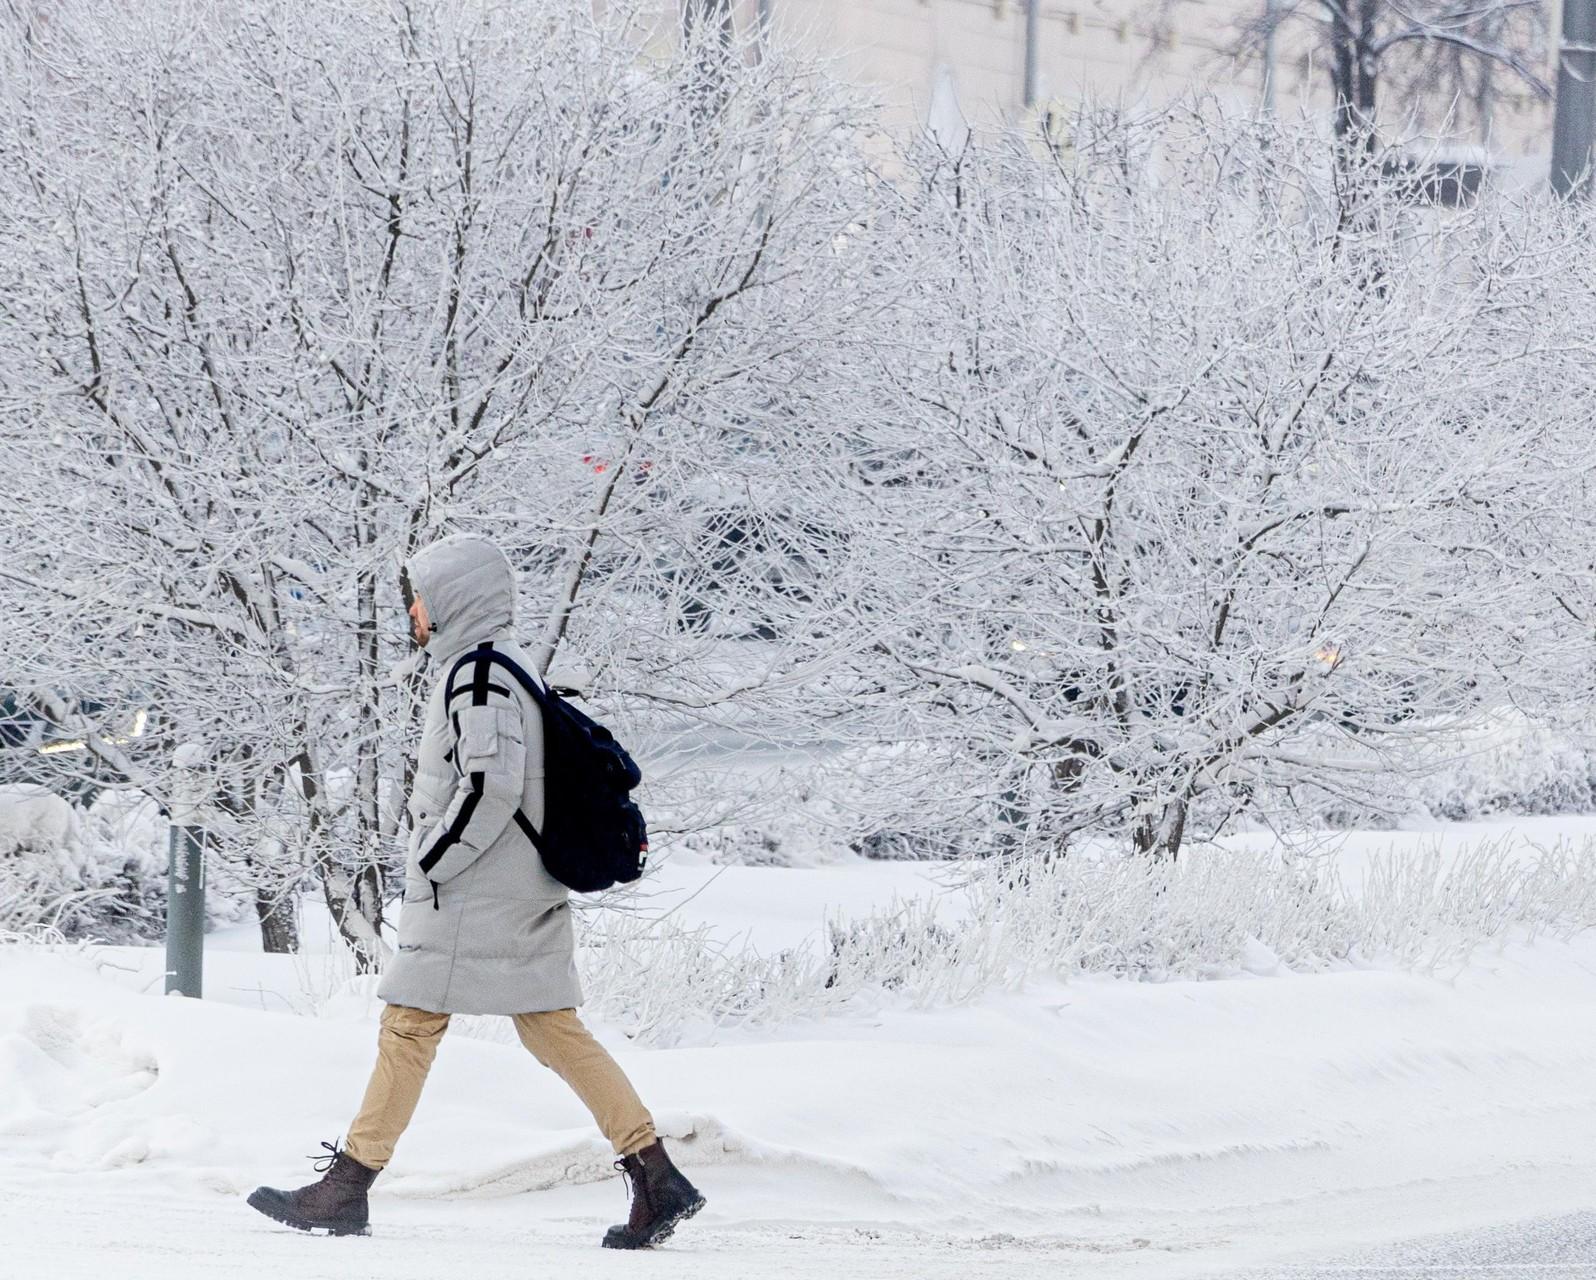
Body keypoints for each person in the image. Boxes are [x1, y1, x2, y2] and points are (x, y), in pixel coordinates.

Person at [246, 533, 704, 1249]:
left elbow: (492, 787)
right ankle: (655, 1172)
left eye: (420, 596)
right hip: (508, 883)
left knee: (411, 1026)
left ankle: (348, 1189)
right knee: (546, 1026)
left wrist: (431, 860)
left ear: (454, 597)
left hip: (475, 891)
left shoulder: (481, 675)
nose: (413, 610)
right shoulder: (498, 666)